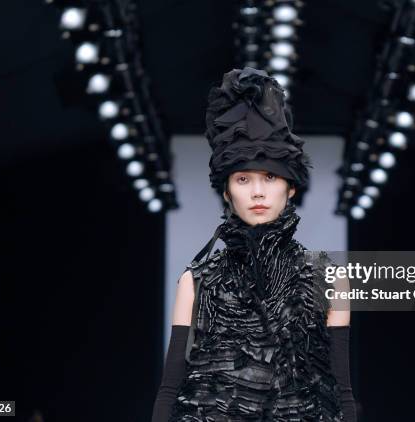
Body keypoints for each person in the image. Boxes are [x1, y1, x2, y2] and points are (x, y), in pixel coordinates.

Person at [152, 67, 357, 421]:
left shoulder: (330, 280)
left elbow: (341, 392)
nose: (258, 191)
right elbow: (170, 389)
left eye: (271, 176)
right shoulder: (196, 283)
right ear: (227, 192)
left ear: (291, 187)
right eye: (243, 178)